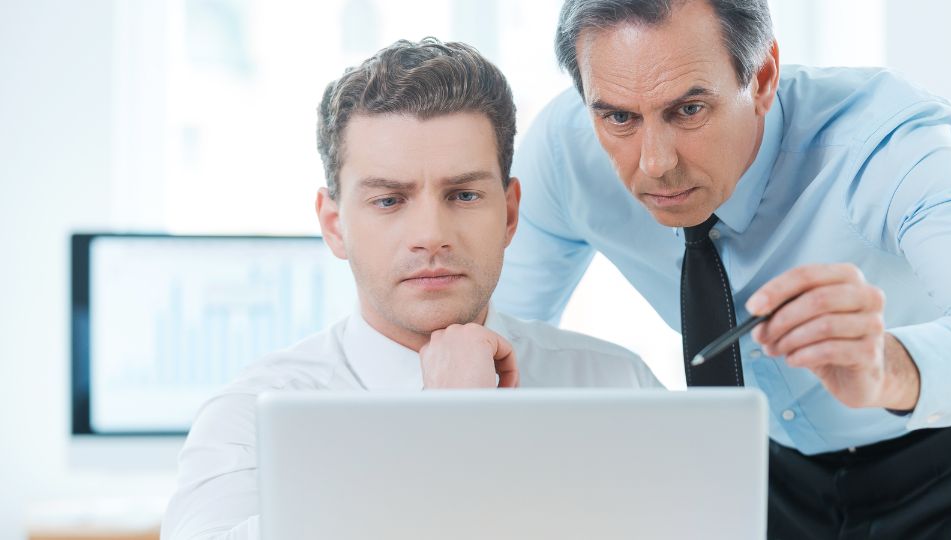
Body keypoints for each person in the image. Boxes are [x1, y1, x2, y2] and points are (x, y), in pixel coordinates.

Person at [492, 0, 951, 537]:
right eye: (618, 118)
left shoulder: (878, 140)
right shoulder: (566, 154)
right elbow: (509, 339)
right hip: (779, 471)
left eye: (689, 109)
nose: (655, 163)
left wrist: (890, 367)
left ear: (764, 77)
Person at [160, 38, 661, 540]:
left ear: (509, 214)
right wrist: (444, 428)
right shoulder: (249, 419)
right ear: (335, 225)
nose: (430, 235)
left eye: (463, 195)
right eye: (389, 201)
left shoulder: (617, 384)